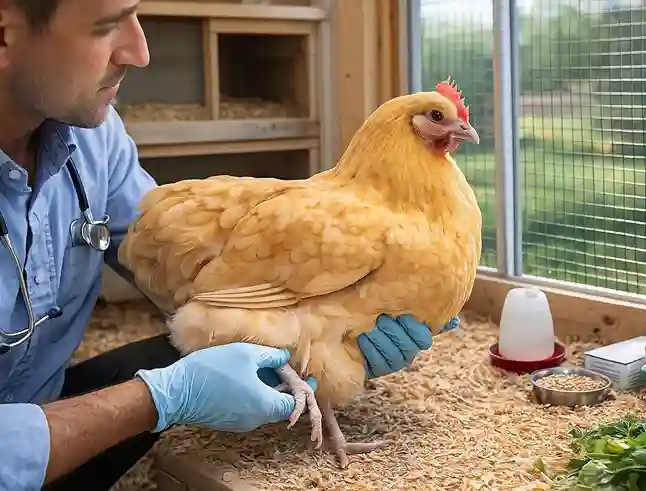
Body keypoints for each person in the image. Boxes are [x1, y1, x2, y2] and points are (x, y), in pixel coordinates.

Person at [0, 1, 460, 490]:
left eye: (138, 16)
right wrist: (159, 398)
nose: (140, 52)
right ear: (5, 34)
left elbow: (175, 249)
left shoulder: (94, 136)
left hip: (45, 401)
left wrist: (351, 311)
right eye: (107, 26)